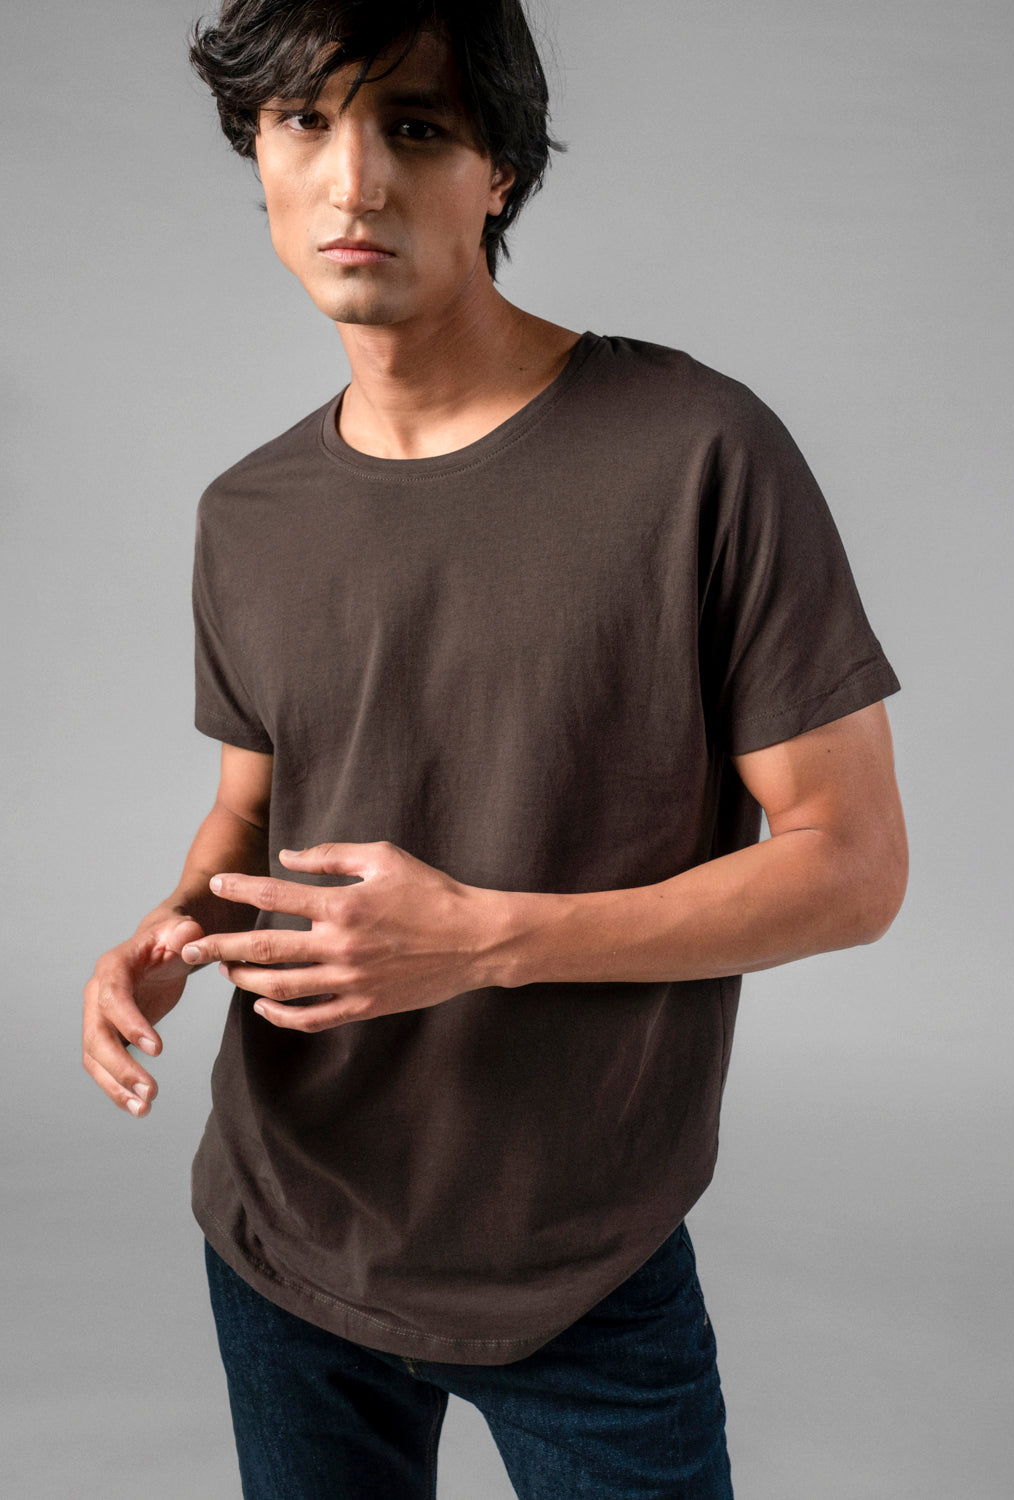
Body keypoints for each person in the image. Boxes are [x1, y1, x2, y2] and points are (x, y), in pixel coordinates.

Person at [81, 2, 907, 1495]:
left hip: (577, 1265)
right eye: (303, 122)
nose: (354, 181)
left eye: (415, 126)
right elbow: (251, 811)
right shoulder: (246, 514)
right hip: (282, 1234)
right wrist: (171, 929)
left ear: (500, 173)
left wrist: (482, 941)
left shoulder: (700, 451)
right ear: (257, 155)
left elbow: (852, 870)